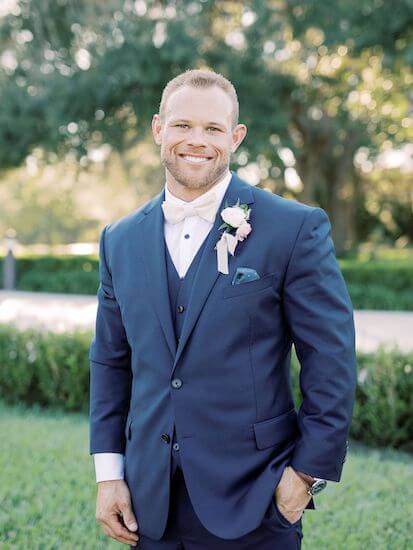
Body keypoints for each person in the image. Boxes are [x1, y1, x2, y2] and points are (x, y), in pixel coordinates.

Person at [89, 68, 357, 549]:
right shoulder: (119, 240)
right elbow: (111, 361)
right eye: (182, 125)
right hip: (150, 506)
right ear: (158, 130)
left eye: (213, 129)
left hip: (256, 497)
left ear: (235, 137)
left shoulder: (293, 228)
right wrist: (109, 473)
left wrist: (307, 474)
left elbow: (330, 357)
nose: (197, 140)